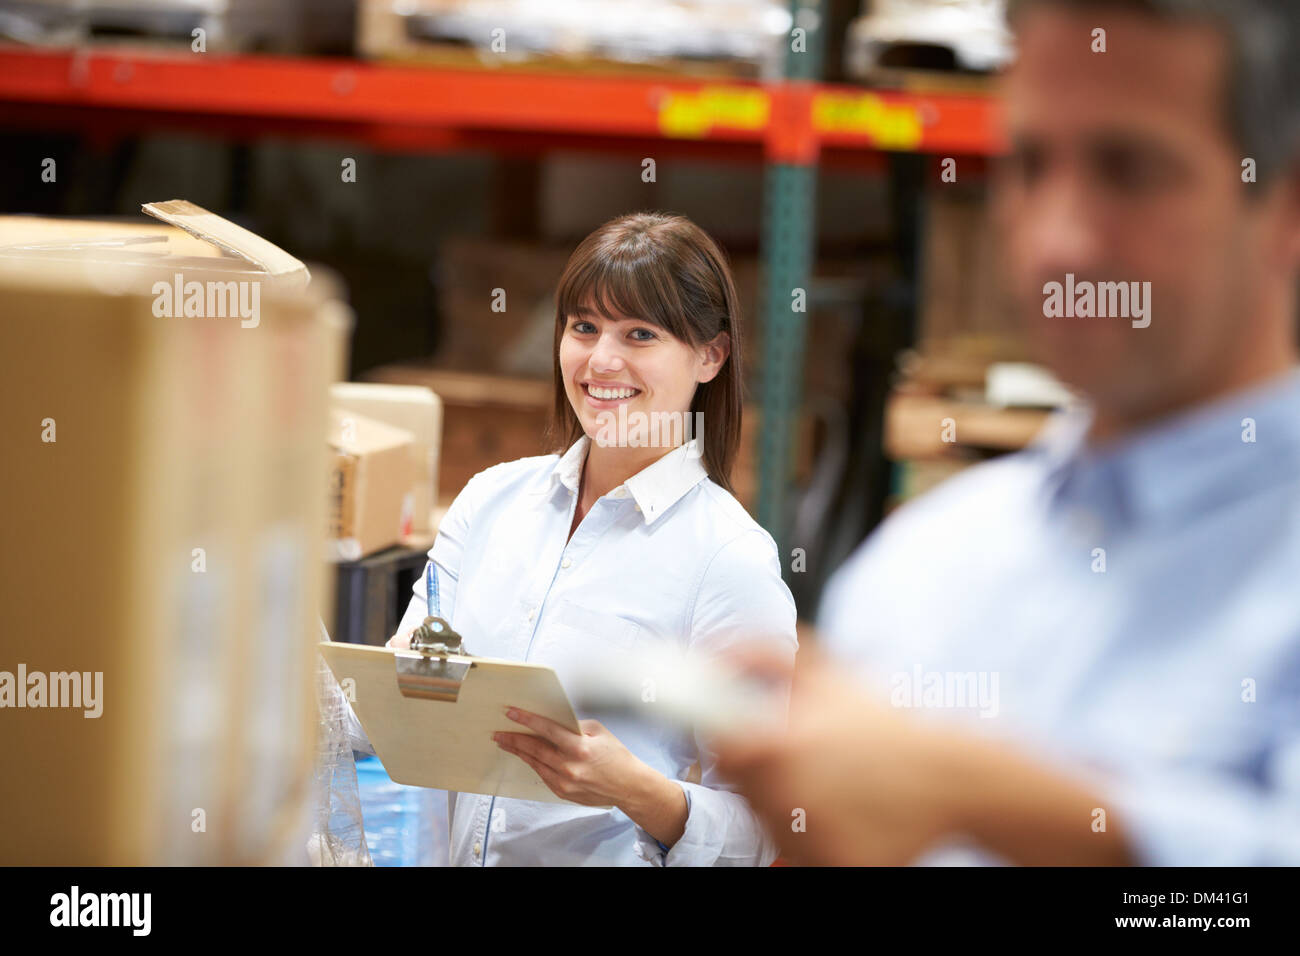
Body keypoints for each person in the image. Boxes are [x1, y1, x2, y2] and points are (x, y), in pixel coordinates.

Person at [714, 0, 1300, 865]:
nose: (1058, 239)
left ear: (1285, 209)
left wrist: (990, 802)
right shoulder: (917, 570)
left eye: (1129, 169)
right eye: (1028, 165)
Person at [363, 211, 797, 866]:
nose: (601, 360)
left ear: (711, 355)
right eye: (584, 327)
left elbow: (768, 825)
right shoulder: (489, 503)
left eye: (640, 334)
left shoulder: (729, 559)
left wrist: (639, 790)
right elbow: (409, 687)